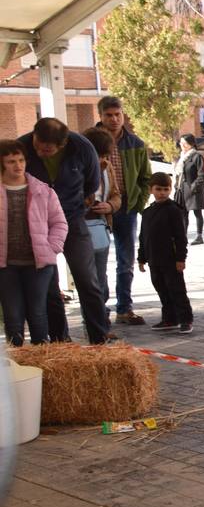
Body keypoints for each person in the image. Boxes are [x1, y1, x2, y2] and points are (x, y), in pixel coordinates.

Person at [18, 118, 113, 344]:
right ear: (34, 136)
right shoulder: (21, 147)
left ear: (62, 145)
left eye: (48, 151)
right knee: (49, 284)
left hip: (72, 219)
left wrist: (74, 205)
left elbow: (91, 183)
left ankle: (99, 336)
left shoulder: (82, 147)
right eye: (39, 147)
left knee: (87, 280)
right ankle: (61, 339)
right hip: (36, 226)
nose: (42, 153)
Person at [0, 139, 67, 346]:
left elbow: (59, 223)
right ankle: (17, 367)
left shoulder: (43, 190)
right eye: (11, 161)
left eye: (21, 160)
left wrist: (51, 247)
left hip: (38, 264)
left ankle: (41, 362)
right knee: (12, 316)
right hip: (6, 265)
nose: (18, 165)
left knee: (38, 314)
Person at [95, 96, 151, 326]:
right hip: (98, 209)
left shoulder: (135, 143)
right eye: (109, 115)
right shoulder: (89, 141)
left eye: (117, 114)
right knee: (97, 260)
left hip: (126, 207)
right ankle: (99, 308)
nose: (114, 119)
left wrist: (138, 203)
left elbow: (145, 178)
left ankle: (124, 308)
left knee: (125, 259)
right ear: (100, 116)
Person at [137, 173, 192, 334]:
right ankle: (170, 319)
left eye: (166, 189)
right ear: (151, 190)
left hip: (170, 259)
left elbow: (180, 237)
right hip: (154, 259)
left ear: (170, 190)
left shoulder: (174, 210)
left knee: (177, 290)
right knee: (162, 289)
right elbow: (143, 236)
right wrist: (141, 258)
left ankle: (186, 319)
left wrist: (181, 258)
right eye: (158, 189)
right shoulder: (147, 212)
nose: (162, 192)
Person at [81, 128, 119, 319]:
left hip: (101, 226)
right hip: (80, 228)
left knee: (101, 277)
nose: (102, 159)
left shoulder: (107, 167)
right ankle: (93, 321)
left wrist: (110, 206)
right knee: (88, 279)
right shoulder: (77, 168)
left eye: (105, 155)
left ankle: (101, 318)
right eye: (99, 155)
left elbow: (116, 195)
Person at [173, 134, 204, 245]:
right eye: (181, 143)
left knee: (197, 213)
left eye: (185, 143)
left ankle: (199, 236)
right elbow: (179, 173)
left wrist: (194, 186)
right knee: (182, 214)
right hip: (182, 189)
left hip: (194, 189)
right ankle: (183, 236)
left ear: (191, 144)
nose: (182, 145)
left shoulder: (196, 156)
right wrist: (176, 186)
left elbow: (202, 175)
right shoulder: (182, 156)